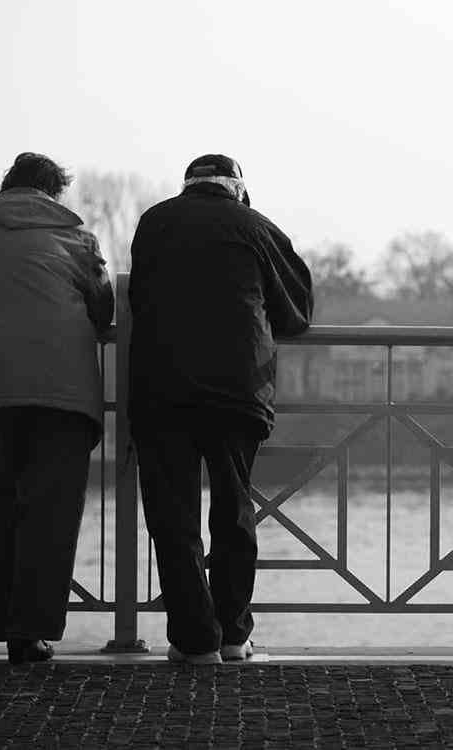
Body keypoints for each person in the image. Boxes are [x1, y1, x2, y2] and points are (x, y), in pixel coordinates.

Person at [128, 154, 313, 664]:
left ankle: (195, 641)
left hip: (161, 391)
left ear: (187, 187)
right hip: (237, 392)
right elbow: (297, 312)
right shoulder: (255, 227)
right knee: (233, 512)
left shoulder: (154, 223)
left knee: (173, 519)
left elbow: (138, 298)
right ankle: (233, 634)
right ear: (238, 189)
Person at [0, 152, 114, 664]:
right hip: (62, 397)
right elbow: (103, 311)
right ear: (54, 193)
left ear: (7, 186)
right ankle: (27, 634)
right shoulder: (76, 239)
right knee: (49, 516)